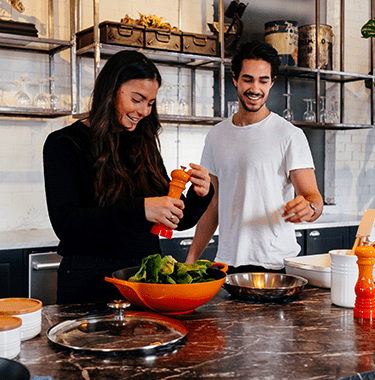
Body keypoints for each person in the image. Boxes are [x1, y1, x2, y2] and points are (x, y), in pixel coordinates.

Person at [43, 50, 213, 304]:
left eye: (151, 103)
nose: (144, 111)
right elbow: (67, 225)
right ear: (111, 90)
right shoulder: (64, 144)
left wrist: (200, 195)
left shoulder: (144, 144)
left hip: (146, 282)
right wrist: (141, 209)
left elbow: (173, 220)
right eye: (137, 99)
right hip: (88, 285)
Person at [185, 40, 323, 274]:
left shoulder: (289, 135)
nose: (255, 88)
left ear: (272, 82)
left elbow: (313, 198)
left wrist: (309, 208)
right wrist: (191, 259)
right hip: (227, 265)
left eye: (263, 80)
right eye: (248, 79)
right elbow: (213, 205)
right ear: (235, 79)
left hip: (276, 264)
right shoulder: (216, 135)